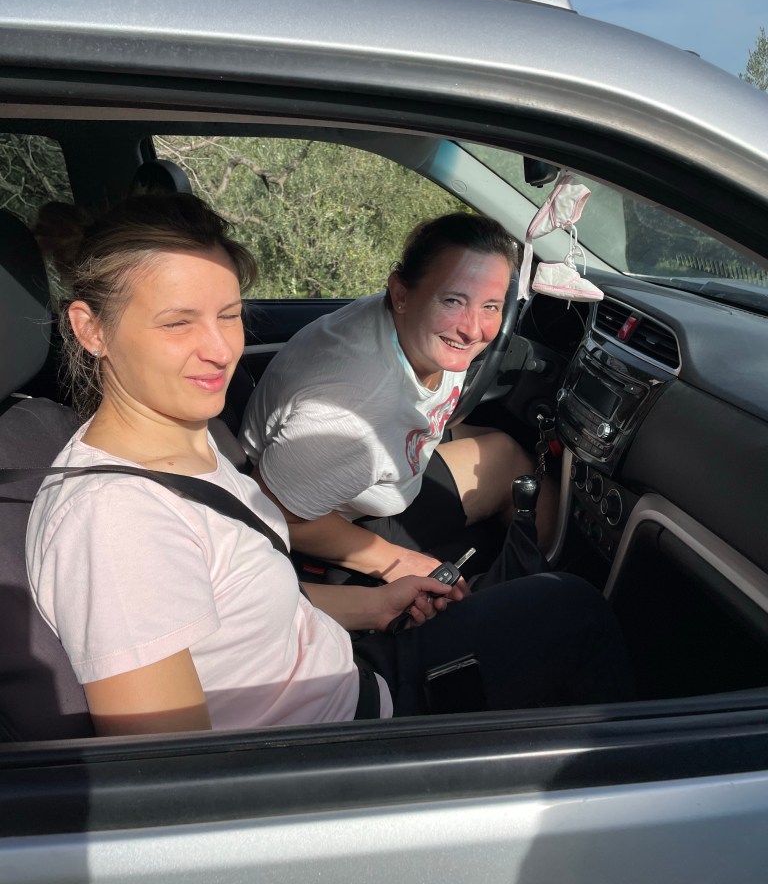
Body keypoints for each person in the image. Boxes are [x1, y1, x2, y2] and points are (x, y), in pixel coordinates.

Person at [26, 193, 631, 736]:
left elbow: (247, 607)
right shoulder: (115, 524)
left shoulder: (182, 442)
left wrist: (376, 605)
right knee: (576, 617)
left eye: (229, 315)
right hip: (348, 738)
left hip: (347, 670)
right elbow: (177, 784)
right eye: (177, 322)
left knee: (563, 606)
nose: (219, 349)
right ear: (91, 329)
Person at [239, 212, 557, 588]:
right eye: (453, 301)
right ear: (401, 294)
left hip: (359, 473)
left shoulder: (406, 329)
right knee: (509, 464)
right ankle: (547, 578)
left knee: (500, 445)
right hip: (323, 515)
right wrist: (403, 562)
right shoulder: (354, 412)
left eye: (491, 306)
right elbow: (270, 513)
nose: (474, 330)